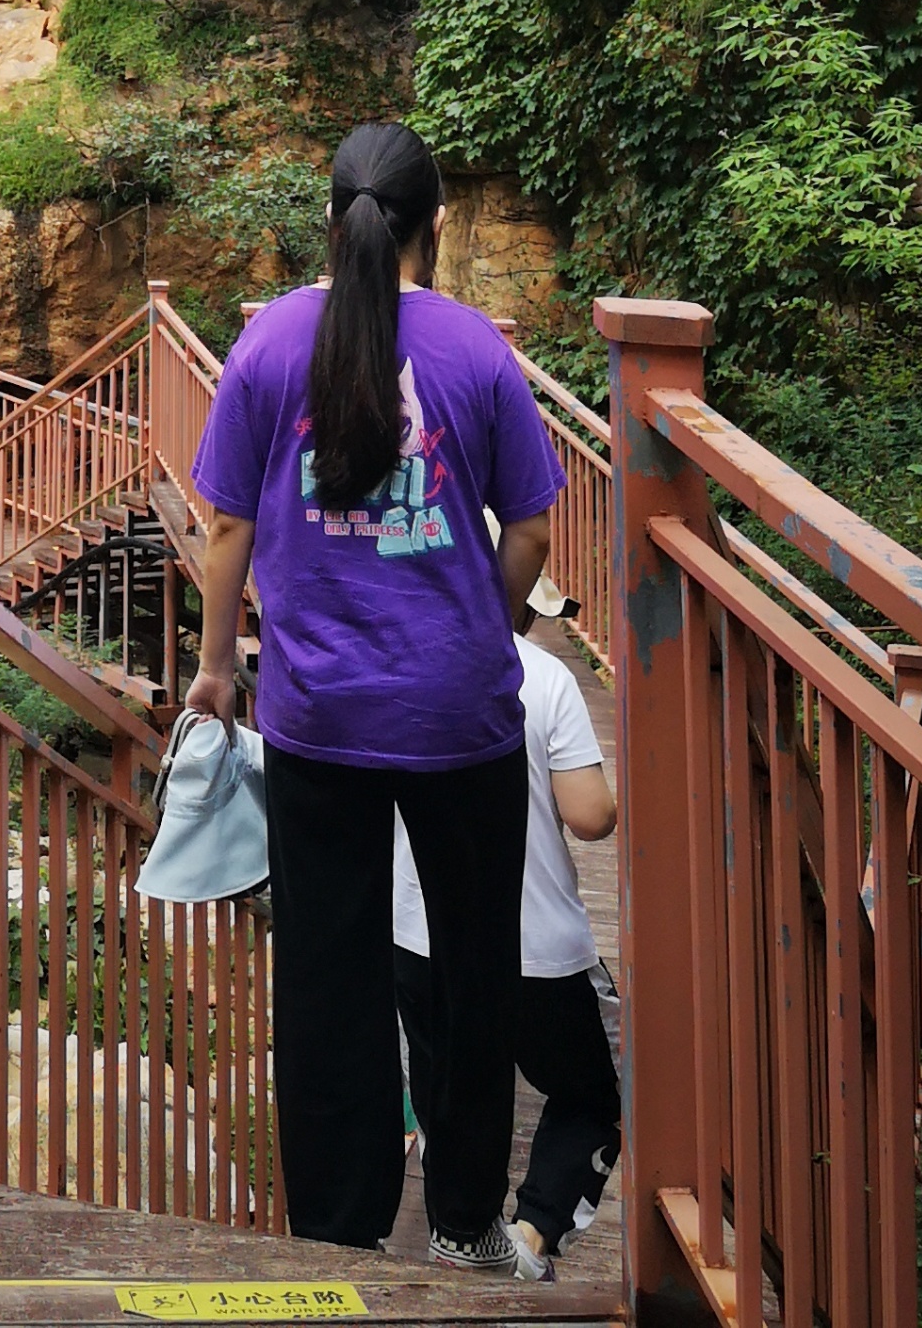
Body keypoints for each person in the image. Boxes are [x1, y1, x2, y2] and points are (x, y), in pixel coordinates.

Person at [185, 122, 562, 1270]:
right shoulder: (476, 351)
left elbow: (227, 526)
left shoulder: (264, 345)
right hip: (460, 718)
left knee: (325, 978)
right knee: (472, 968)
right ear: (433, 224)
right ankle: (462, 1222)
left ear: (332, 219)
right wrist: (488, 626)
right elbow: (532, 528)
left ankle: (336, 1234)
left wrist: (214, 666)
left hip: (318, 719)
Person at [396, 608, 622, 1282]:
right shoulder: (544, 677)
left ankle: (457, 1234)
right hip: (536, 946)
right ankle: (532, 1231)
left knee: (443, 1090)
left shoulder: (399, 663)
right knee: (595, 1092)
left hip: (416, 935)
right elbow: (590, 816)